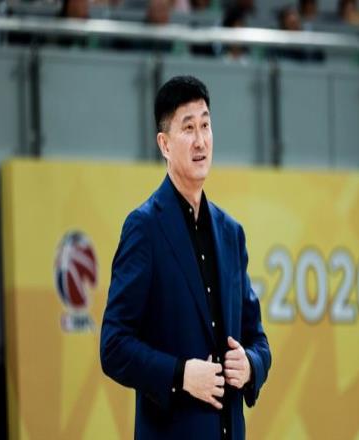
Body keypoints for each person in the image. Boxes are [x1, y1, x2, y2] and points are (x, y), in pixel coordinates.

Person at [100, 75, 271, 439]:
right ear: (164, 144)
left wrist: (251, 365)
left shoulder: (231, 233)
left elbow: (257, 340)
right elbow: (113, 346)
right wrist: (180, 375)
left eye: (206, 126)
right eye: (188, 128)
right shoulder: (144, 228)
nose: (200, 140)